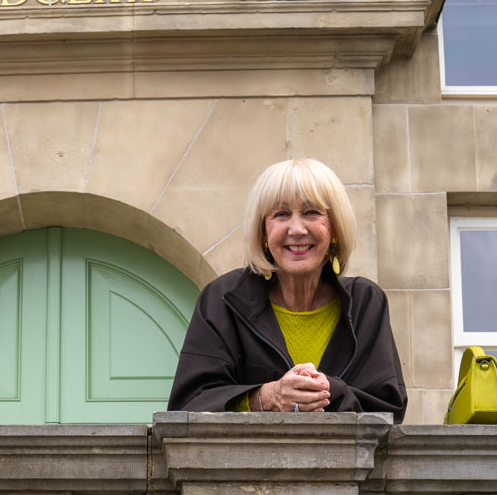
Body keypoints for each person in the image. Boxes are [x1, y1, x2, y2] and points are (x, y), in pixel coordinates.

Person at [167, 158, 407, 421]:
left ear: (335, 229)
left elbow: (389, 410)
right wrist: (267, 397)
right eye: (281, 214)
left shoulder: (366, 302)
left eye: (311, 212)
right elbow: (188, 405)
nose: (297, 229)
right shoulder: (222, 299)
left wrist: (329, 391)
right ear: (263, 232)